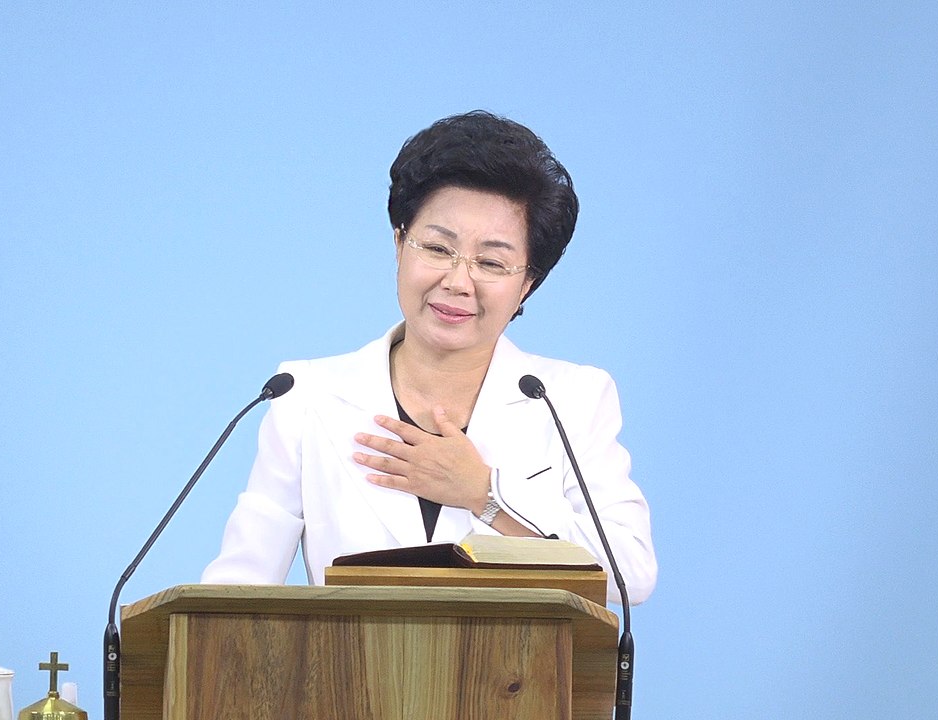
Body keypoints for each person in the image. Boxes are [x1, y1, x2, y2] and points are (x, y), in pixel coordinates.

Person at [201, 111, 657, 605]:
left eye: (491, 262)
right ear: (400, 244)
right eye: (438, 248)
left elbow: (629, 572)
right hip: (345, 679)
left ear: (527, 283)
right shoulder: (305, 396)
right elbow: (236, 591)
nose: (458, 282)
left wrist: (485, 494)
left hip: (513, 681)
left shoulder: (569, 399)